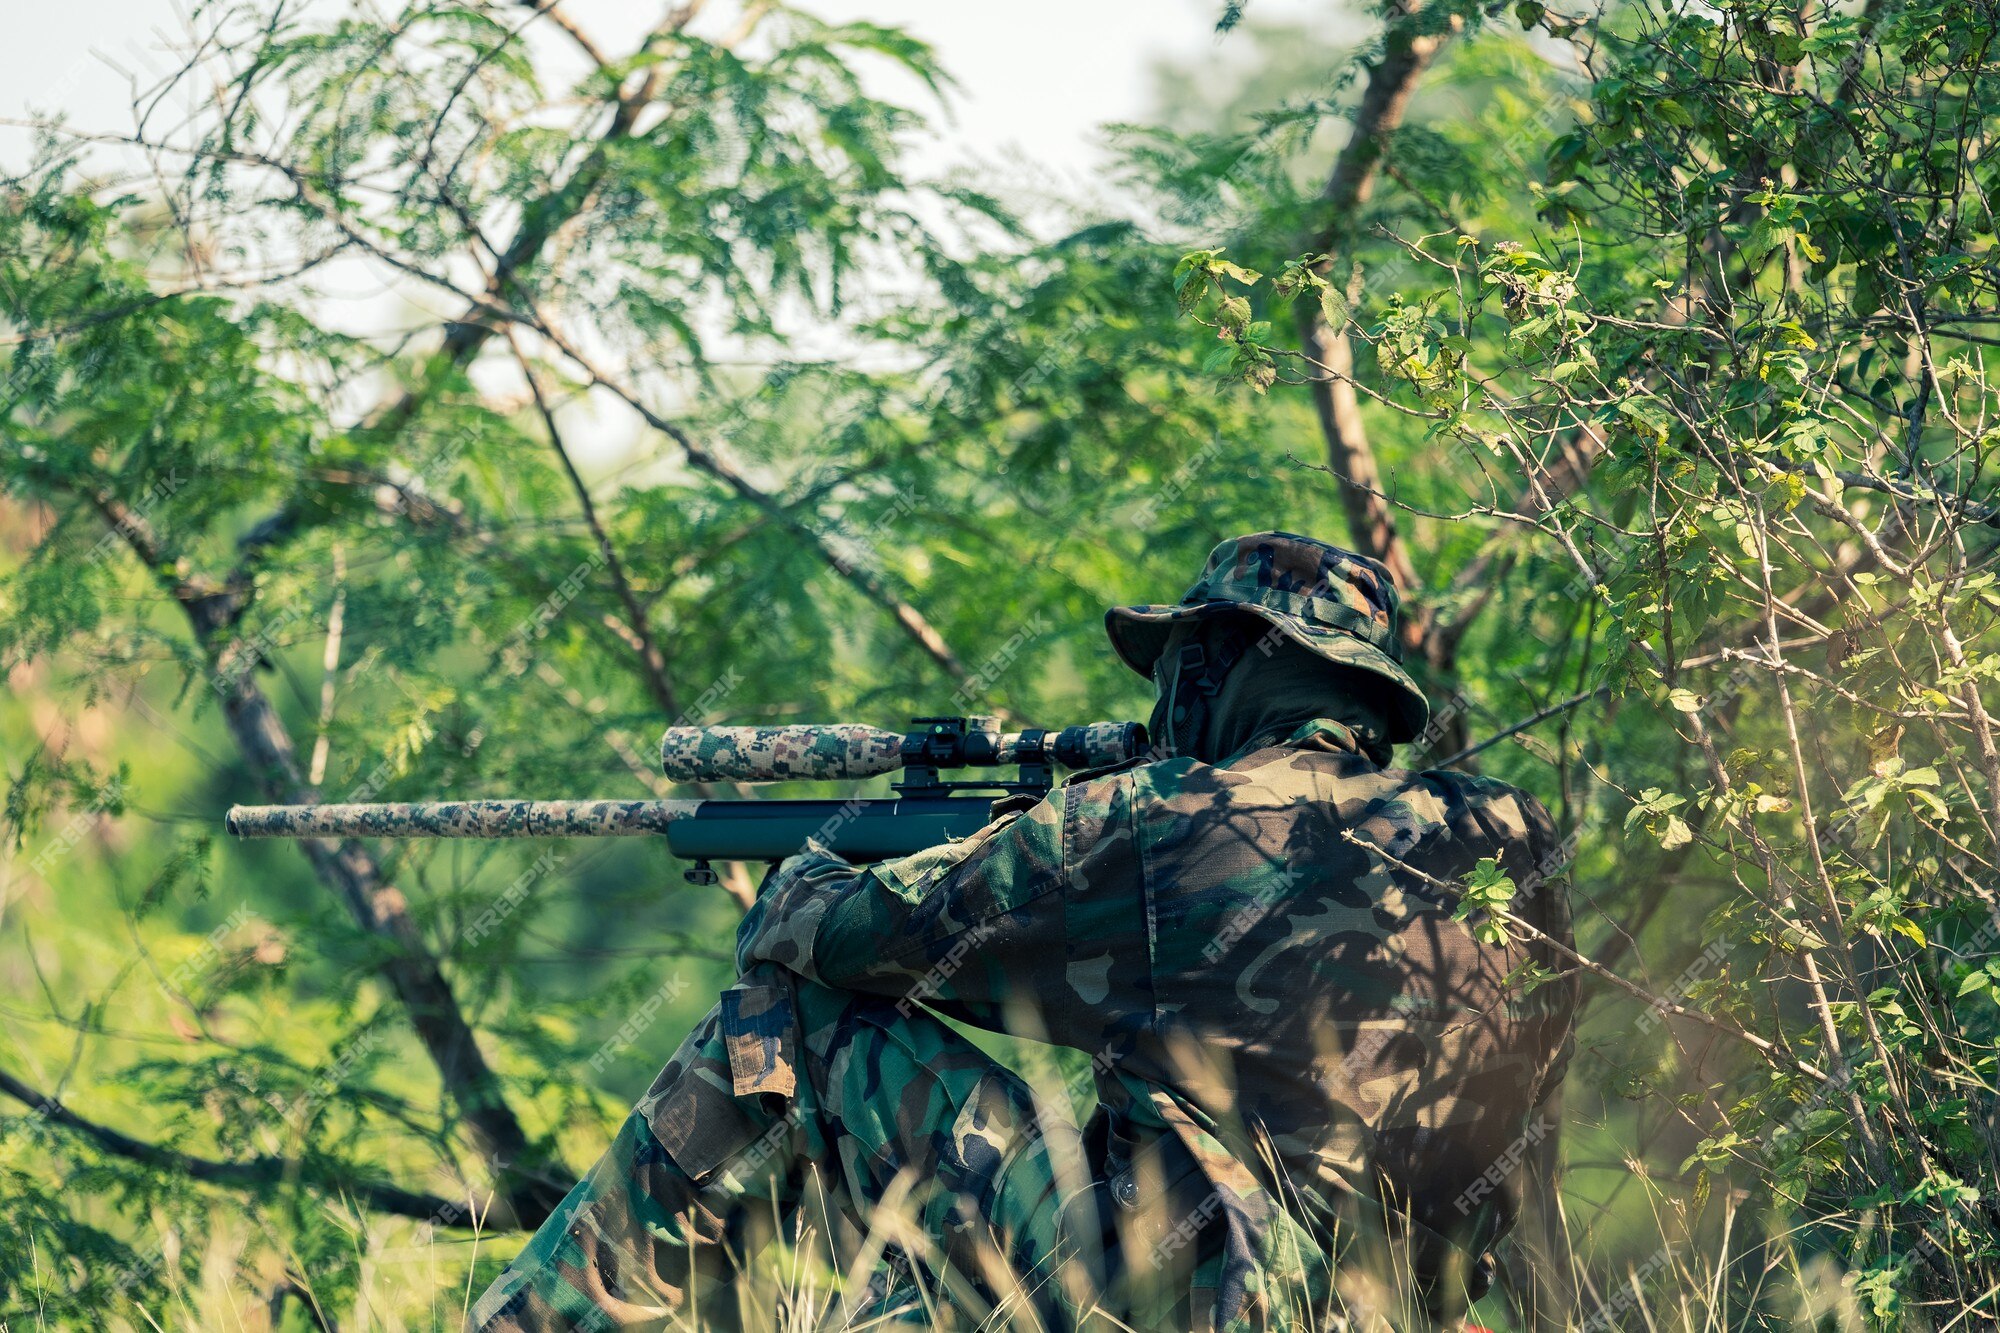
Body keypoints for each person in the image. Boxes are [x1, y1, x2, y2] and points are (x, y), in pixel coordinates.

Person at [471, 531, 1577, 1332]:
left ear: (1230, 658)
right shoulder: (1507, 835)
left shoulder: (1156, 819)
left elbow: (809, 932)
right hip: (1403, 1309)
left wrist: (863, 849)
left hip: (1191, 1296)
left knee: (791, 1024)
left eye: (1181, 661)